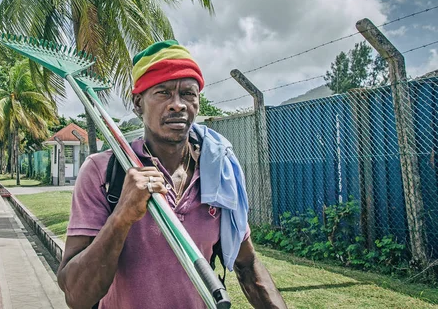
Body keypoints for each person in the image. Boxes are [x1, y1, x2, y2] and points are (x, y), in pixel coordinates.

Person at [57, 40, 287, 309]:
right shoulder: (104, 171)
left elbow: (247, 264)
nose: (178, 105)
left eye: (188, 93)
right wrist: (121, 216)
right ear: (138, 103)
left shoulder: (219, 171)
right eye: (163, 92)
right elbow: (77, 296)